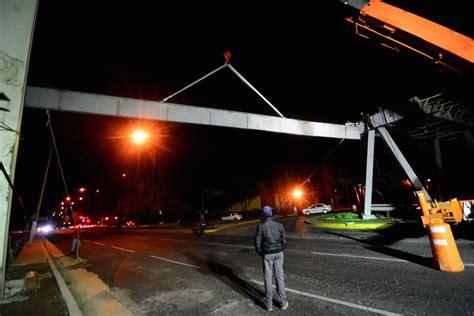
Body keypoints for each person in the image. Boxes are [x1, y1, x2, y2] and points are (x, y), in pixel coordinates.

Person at [254, 205, 289, 311]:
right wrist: (281, 248)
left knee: (267, 278)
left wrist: (261, 252)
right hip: (278, 253)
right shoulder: (279, 225)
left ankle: (269, 304)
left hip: (267, 254)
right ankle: (282, 302)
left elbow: (257, 242)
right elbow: (284, 240)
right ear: (271, 214)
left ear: (263, 214)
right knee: (279, 277)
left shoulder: (261, 226)